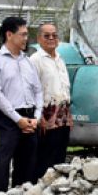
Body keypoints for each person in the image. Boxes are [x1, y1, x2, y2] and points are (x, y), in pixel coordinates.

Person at [0, 16, 42, 192]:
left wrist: (36, 117)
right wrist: (18, 119)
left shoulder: (27, 61)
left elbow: (38, 90)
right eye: (22, 34)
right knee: (3, 162)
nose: (26, 38)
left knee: (28, 163)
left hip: (30, 116)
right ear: (9, 34)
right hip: (7, 118)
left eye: (27, 34)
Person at [31, 23, 72, 180]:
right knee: (45, 155)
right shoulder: (35, 60)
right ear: (39, 39)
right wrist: (38, 116)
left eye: (54, 35)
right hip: (46, 114)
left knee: (60, 154)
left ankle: (57, 186)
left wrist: (68, 115)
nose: (51, 39)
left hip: (63, 114)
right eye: (47, 36)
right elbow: (32, 90)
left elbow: (64, 88)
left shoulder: (60, 59)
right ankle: (40, 186)